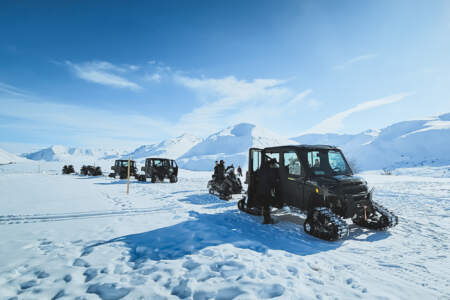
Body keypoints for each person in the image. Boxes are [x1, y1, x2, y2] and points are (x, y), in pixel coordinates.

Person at [257, 158, 278, 224]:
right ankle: (266, 220)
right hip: (265, 190)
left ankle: (267, 218)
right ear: (271, 163)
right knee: (266, 204)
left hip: (264, 189)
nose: (274, 166)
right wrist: (275, 182)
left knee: (266, 204)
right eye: (274, 165)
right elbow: (270, 180)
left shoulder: (265, 168)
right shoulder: (267, 170)